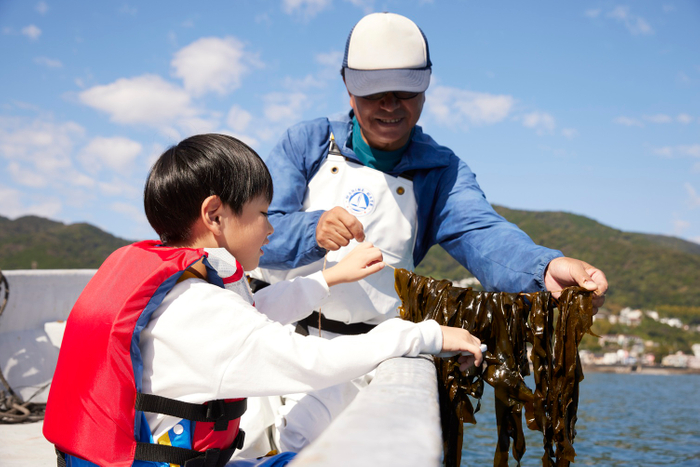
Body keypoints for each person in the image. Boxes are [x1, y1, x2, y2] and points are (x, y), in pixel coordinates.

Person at [252, 12, 609, 452]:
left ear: (425, 88)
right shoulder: (304, 142)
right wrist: (313, 227)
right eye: (374, 92)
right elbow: (260, 234)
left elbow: (481, 231)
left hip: (374, 354)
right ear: (348, 87)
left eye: (404, 90)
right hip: (285, 345)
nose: (390, 104)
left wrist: (546, 267)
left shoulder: (440, 167)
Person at [42, 134, 484, 467]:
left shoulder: (186, 293)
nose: (270, 230)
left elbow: (257, 312)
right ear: (215, 215)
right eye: (262, 214)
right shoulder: (200, 310)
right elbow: (311, 361)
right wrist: (422, 334)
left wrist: (329, 278)